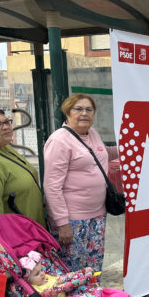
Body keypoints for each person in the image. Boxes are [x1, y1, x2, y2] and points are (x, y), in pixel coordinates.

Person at [44, 93, 118, 273]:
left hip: (97, 216)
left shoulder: (92, 133)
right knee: (74, 271)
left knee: (94, 266)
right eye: (78, 109)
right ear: (67, 113)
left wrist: (133, 146)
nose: (84, 113)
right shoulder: (59, 140)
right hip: (72, 220)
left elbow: (104, 152)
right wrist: (62, 223)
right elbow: (52, 186)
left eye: (89, 109)